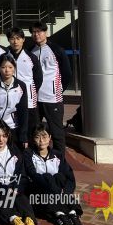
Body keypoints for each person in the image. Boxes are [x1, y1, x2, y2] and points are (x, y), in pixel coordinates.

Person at [24, 125, 84, 225]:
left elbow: (69, 177)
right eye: (37, 137)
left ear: (50, 137)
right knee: (47, 177)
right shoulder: (28, 154)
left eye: (44, 137)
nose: (41, 141)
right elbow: (33, 175)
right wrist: (54, 189)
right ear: (33, 139)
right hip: (39, 192)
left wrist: (65, 192)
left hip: (57, 192)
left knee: (59, 177)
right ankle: (60, 215)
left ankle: (73, 214)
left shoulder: (57, 155)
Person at [30, 21, 72, 154]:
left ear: (46, 33)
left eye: (39, 32)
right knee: (35, 130)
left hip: (52, 98)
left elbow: (67, 73)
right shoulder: (31, 51)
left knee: (56, 131)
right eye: (34, 32)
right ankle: (37, 158)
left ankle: (60, 160)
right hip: (35, 99)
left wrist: (58, 89)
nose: (36, 34)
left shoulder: (56, 50)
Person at [0, 55, 29, 149]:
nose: (7, 70)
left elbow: (23, 112)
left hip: (12, 127)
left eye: (10, 67)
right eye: (3, 67)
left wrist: (23, 135)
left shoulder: (21, 86)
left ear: (14, 68)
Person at [6, 27, 42, 136]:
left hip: (29, 101)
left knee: (31, 131)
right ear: (8, 40)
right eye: (12, 38)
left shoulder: (31, 57)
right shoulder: (5, 57)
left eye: (18, 38)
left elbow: (38, 78)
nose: (15, 41)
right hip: (10, 99)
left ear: (23, 39)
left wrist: (30, 91)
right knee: (12, 131)